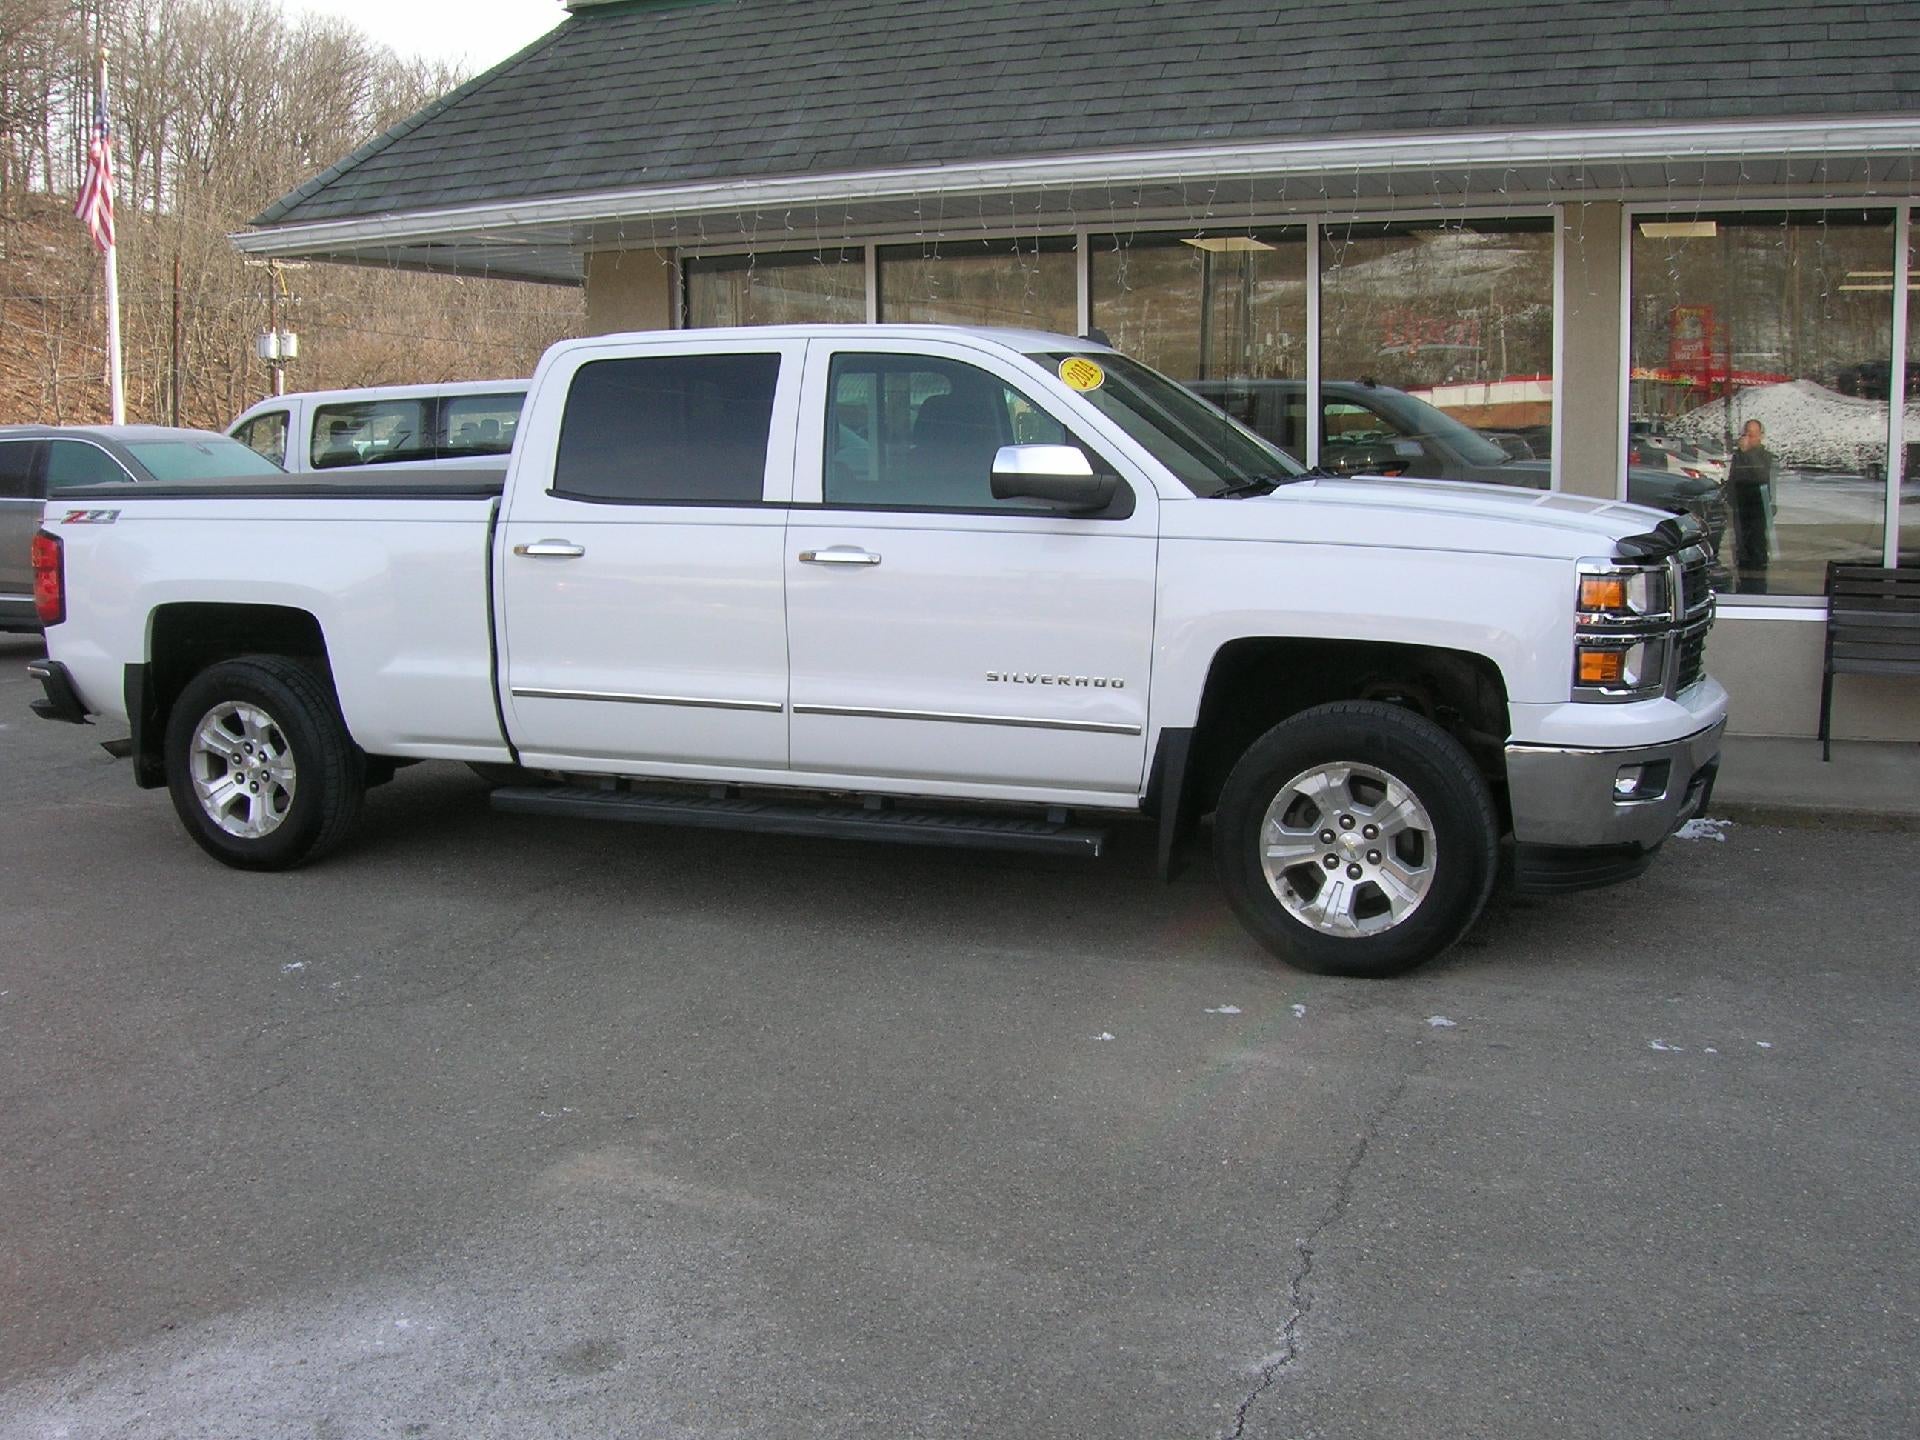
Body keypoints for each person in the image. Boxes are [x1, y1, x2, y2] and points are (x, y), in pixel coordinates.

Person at [1726, 417, 1776, 594]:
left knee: (1756, 555)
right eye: (1746, 434)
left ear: (1761, 436)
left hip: (1757, 514)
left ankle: (1758, 592)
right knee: (1741, 555)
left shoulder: (1764, 457)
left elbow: (1760, 475)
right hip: (1741, 512)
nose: (1748, 439)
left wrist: (1747, 452)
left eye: (1752, 435)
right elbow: (1733, 481)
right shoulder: (1738, 456)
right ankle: (1742, 588)